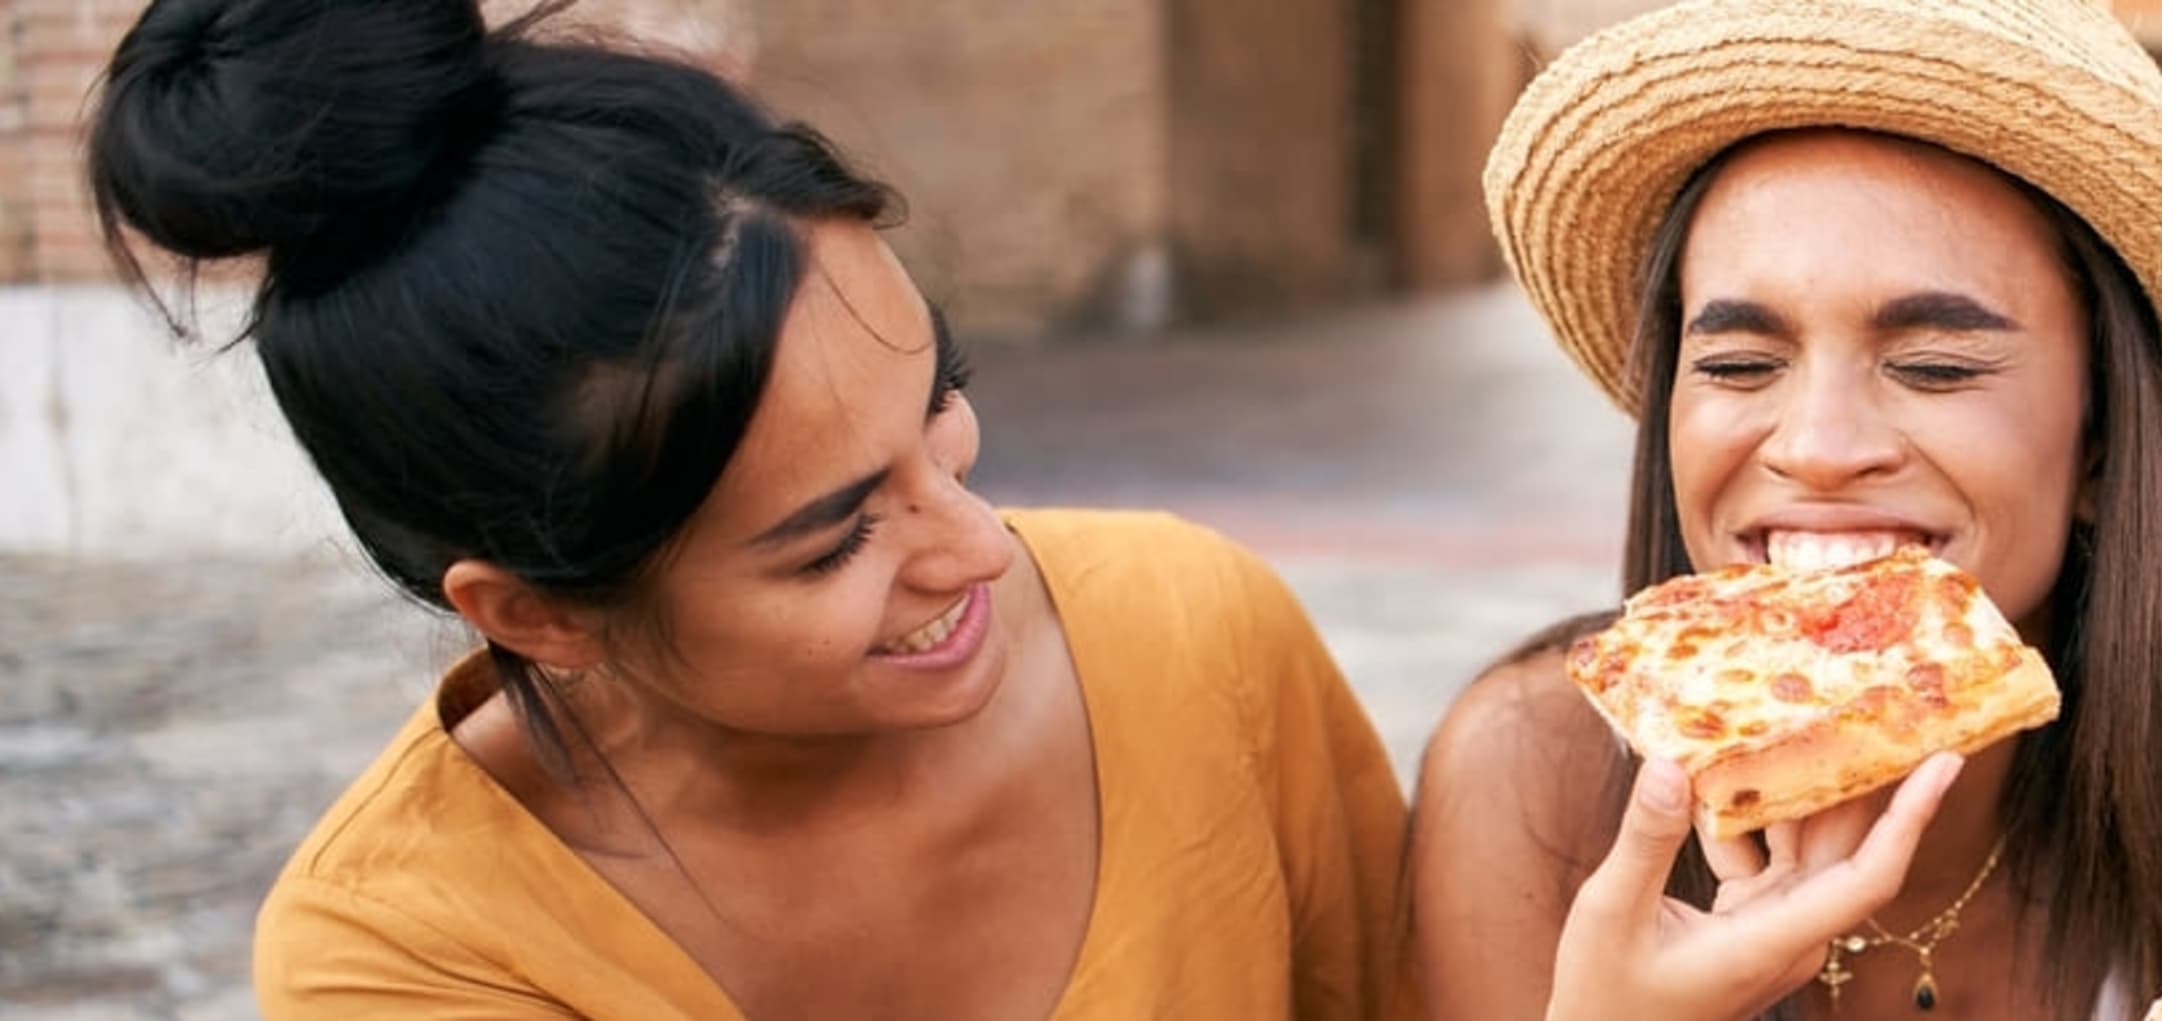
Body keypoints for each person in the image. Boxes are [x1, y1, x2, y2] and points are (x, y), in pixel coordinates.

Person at [86, 1, 1414, 1016]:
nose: (981, 545)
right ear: (539, 610)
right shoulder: (406, 950)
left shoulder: (1197, 634)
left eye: (938, 401)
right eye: (836, 536)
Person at [1410, 0, 2162, 1017]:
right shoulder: (1526, 770)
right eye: (1738, 362)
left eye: (1935, 366)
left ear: (2101, 440)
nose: (1816, 446)